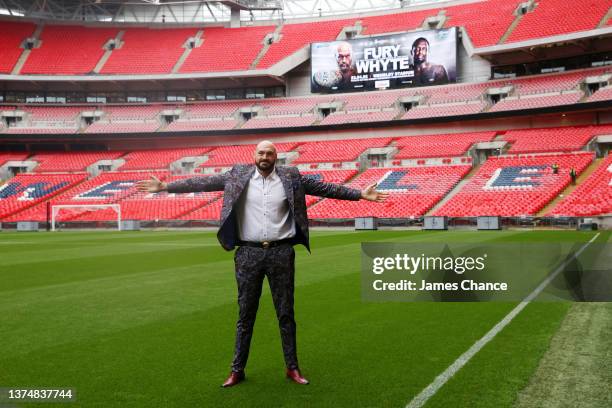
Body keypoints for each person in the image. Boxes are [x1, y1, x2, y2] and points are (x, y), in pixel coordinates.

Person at [136, 141, 388, 387]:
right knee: (245, 315)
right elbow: (203, 182)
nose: (265, 156)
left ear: (276, 157)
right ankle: (237, 370)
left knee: (286, 314)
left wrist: (359, 194)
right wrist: (166, 186)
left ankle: (292, 367)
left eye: (269, 152)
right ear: (254, 155)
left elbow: (325, 188)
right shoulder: (237, 175)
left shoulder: (291, 176)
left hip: (281, 253)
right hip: (248, 254)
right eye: (261, 152)